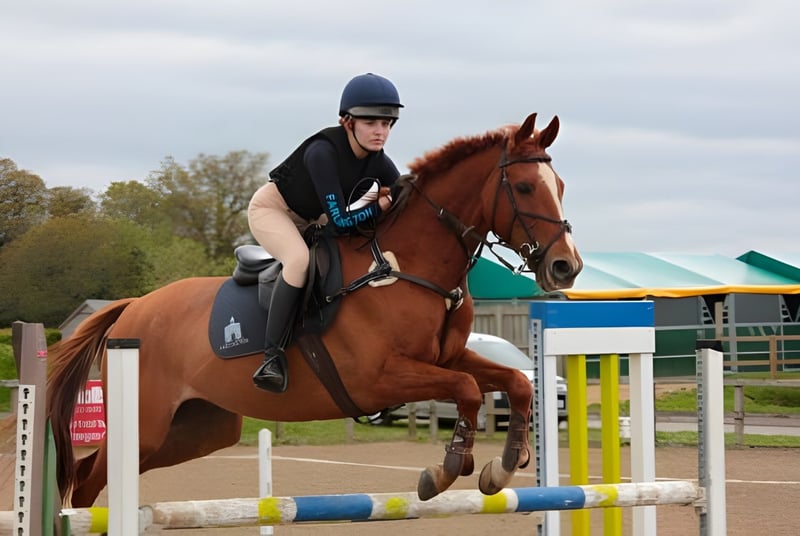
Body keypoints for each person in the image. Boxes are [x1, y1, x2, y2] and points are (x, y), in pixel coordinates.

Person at [248, 72, 403, 392]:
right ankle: (271, 358)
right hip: (274, 211)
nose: (381, 131)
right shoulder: (323, 152)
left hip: (313, 218)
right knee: (299, 262)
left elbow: (403, 195)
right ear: (347, 122)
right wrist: (380, 206)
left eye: (387, 124)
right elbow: (339, 222)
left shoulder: (379, 161)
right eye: (371, 122)